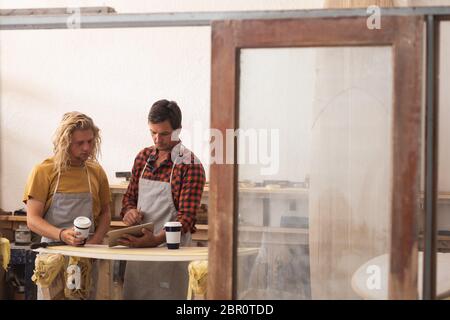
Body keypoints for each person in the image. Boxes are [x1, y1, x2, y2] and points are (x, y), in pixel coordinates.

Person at [119, 99, 206, 299]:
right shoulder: (143, 157)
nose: (157, 139)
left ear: (177, 130)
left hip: (170, 256)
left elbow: (186, 219)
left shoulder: (190, 165)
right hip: (139, 256)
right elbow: (128, 199)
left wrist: (154, 240)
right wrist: (129, 213)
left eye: (164, 134)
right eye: (152, 132)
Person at [23, 111, 111, 298]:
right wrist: (62, 234)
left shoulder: (96, 172)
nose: (87, 148)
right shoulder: (44, 171)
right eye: (80, 143)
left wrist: (93, 246)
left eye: (90, 141)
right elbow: (32, 219)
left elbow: (105, 214)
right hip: (53, 258)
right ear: (65, 141)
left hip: (88, 258)